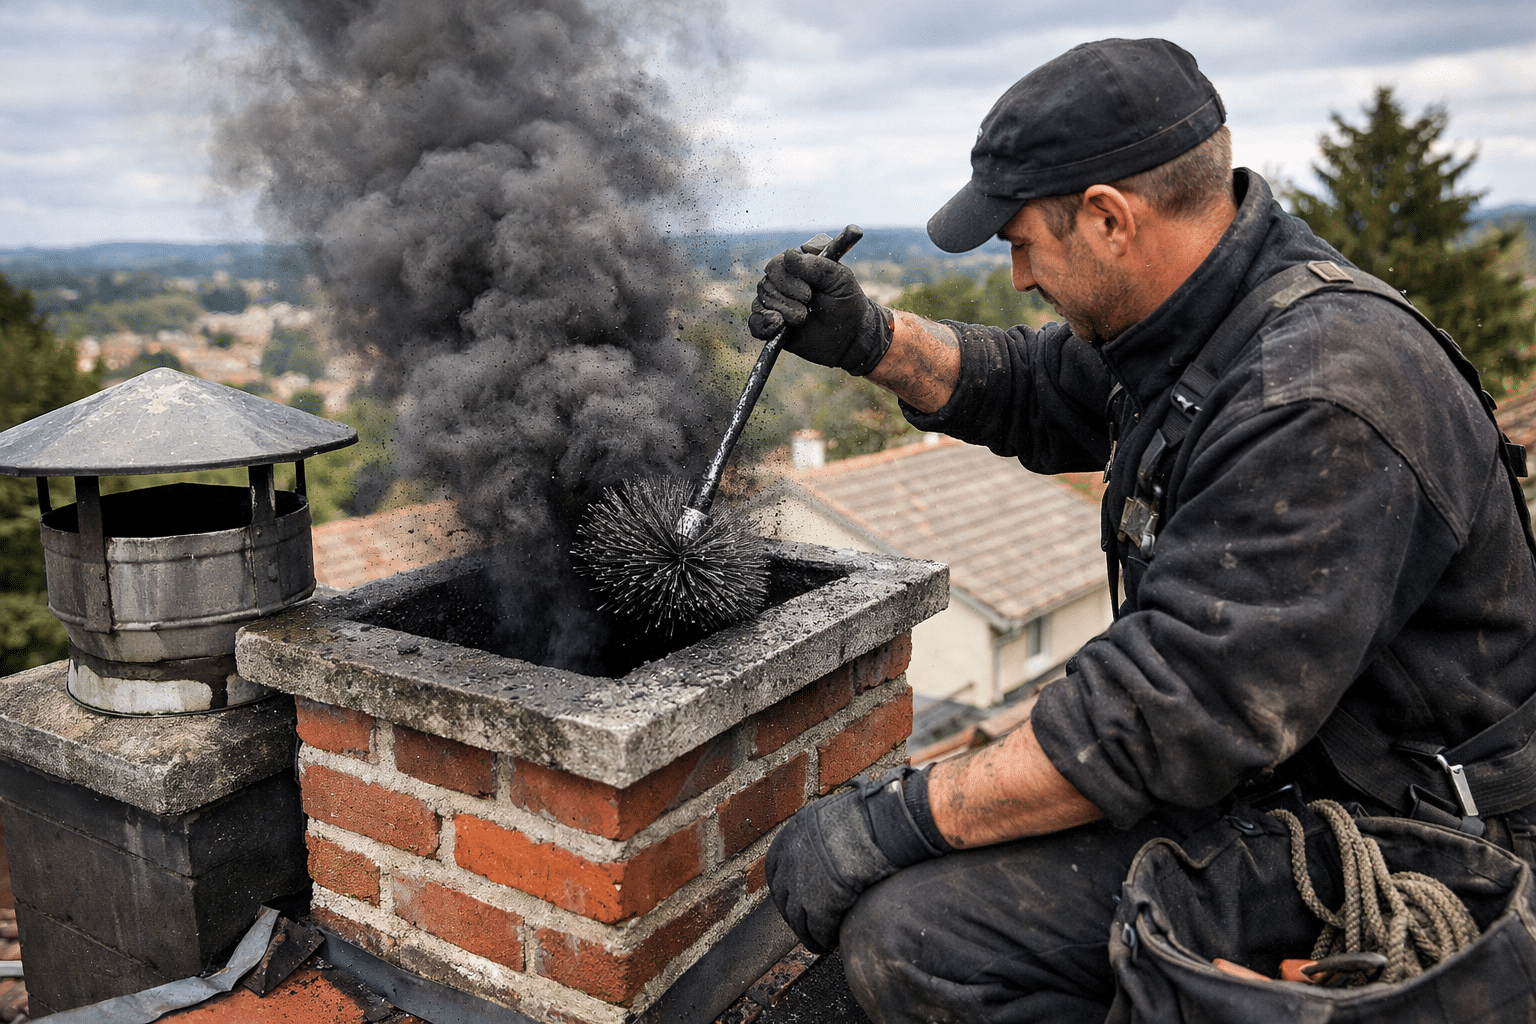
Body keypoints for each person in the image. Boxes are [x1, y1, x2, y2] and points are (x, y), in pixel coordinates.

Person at [749, 37, 1536, 1024]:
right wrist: (871, 340)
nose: (1020, 276)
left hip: (1406, 837)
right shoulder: (1202, 315)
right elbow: (1034, 388)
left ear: (1112, 220)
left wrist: (893, 819)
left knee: (916, 942)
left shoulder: (1323, 397)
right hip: (1278, 769)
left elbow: (1164, 718)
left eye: (1025, 240)